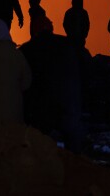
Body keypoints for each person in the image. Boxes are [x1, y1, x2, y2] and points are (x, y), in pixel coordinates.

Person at [21, 24, 85, 152]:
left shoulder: (27, 50)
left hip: (40, 109)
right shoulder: (67, 46)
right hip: (68, 104)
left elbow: (25, 82)